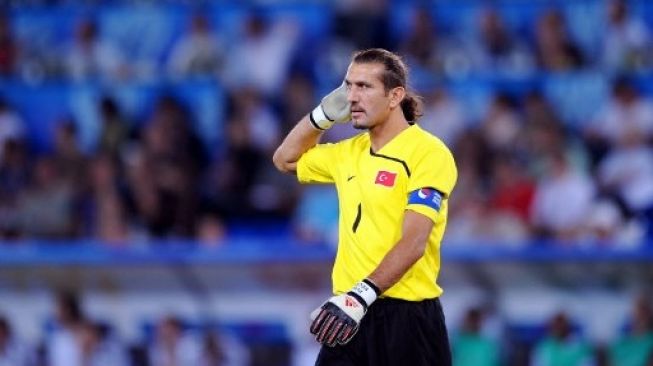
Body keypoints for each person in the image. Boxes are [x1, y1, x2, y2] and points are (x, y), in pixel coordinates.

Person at [273, 48, 458, 365]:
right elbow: (285, 159)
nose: (352, 97)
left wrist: (362, 295)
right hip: (348, 312)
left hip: (407, 316)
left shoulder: (428, 153)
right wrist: (323, 115)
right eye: (348, 86)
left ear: (395, 95)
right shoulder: (348, 152)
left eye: (364, 86)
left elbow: (414, 242)